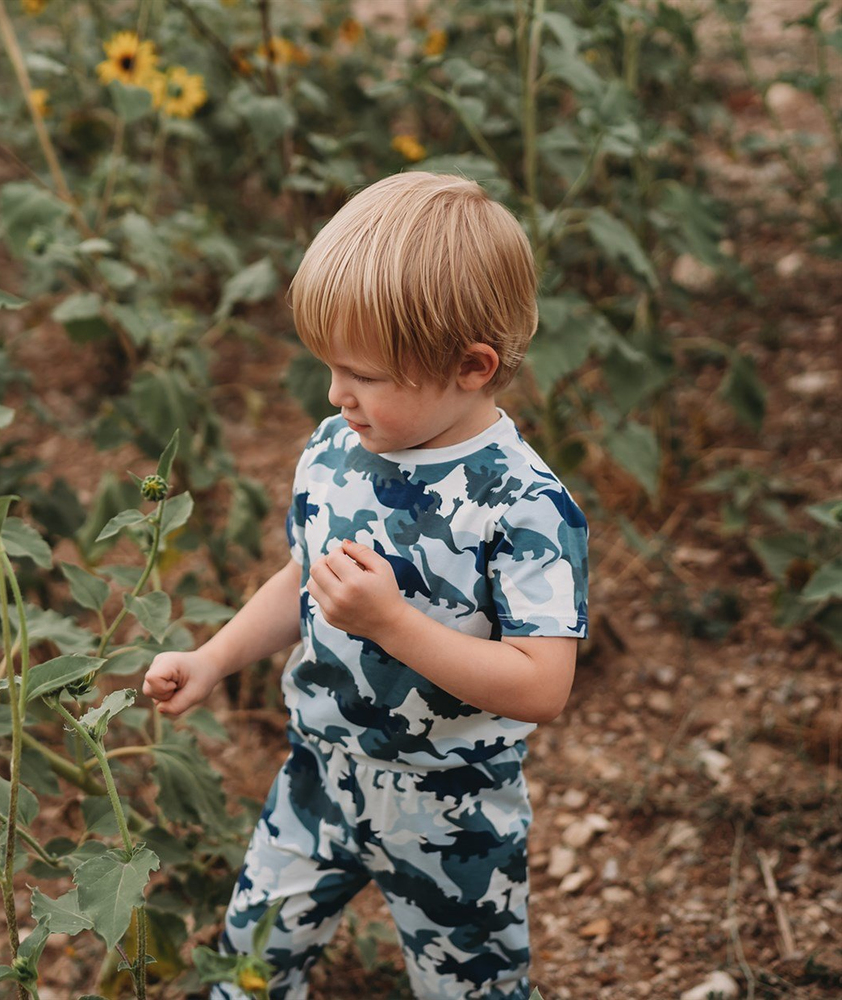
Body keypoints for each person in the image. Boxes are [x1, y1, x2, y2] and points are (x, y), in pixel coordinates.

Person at [143, 171, 589, 1000]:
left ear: (471, 366)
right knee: (245, 971)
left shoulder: (522, 506)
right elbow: (301, 579)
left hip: (452, 806)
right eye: (330, 368)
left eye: (365, 375)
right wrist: (213, 658)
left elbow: (543, 684)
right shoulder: (337, 447)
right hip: (317, 776)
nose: (336, 393)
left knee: (472, 989)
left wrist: (392, 624)